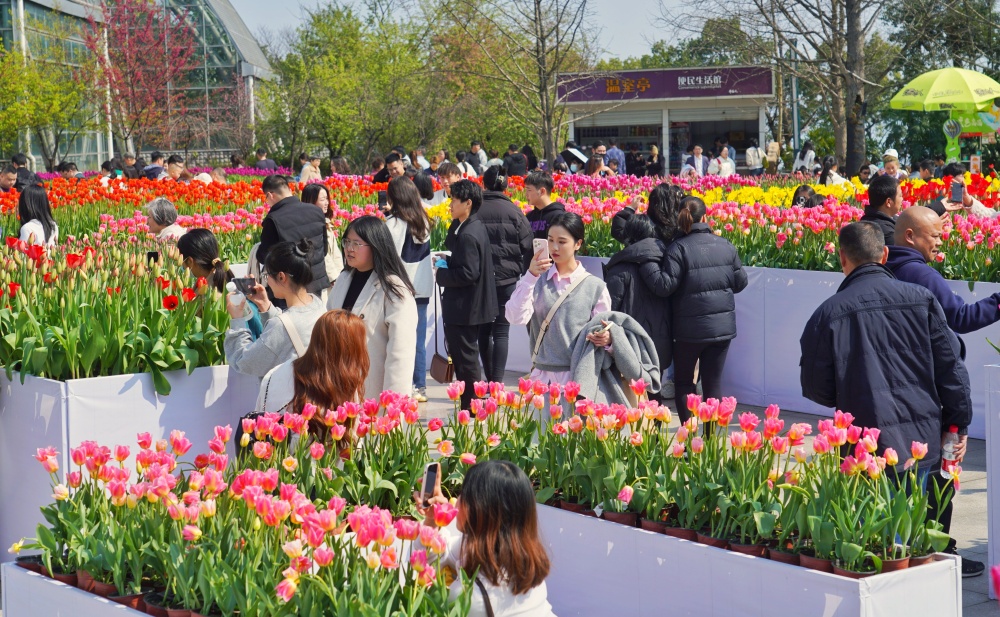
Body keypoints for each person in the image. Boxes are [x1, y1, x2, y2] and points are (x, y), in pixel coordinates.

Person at [800, 222, 974, 573]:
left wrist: (851, 392)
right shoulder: (921, 299)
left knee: (875, 540)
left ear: (842, 258)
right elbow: (952, 370)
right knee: (916, 535)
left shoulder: (828, 313)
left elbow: (815, 388)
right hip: (920, 437)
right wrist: (957, 424)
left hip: (864, 441)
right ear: (884, 255)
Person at [885, 206, 990, 577]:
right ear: (910, 236)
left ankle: (911, 548)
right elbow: (959, 319)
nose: (939, 241)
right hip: (933, 391)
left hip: (897, 391)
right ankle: (938, 552)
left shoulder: (883, 269)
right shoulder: (919, 274)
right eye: (933, 235)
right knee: (941, 475)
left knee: (906, 479)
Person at [643, 197, 748, 421]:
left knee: (683, 383)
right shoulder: (725, 245)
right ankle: (708, 444)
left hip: (688, 330)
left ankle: (690, 440)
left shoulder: (678, 248)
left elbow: (665, 286)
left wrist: (647, 263)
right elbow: (740, 283)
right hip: (721, 329)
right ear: (705, 216)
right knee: (713, 384)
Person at [415, 460, 555, 617]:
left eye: (464, 494)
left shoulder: (469, 598)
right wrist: (433, 519)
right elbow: (443, 552)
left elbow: (428, 564)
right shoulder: (525, 565)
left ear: (480, 510)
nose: (457, 500)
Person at [506, 212, 611, 385]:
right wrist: (531, 275)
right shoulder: (536, 280)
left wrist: (606, 339)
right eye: (550, 240)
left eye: (562, 242)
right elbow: (515, 316)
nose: (554, 247)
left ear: (578, 244)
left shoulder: (595, 287)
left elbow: (604, 330)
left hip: (578, 378)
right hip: (541, 377)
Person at [327, 216, 417, 397]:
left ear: (376, 245)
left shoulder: (394, 289)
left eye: (357, 244)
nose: (349, 249)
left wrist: (392, 402)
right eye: (347, 242)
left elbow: (400, 354)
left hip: (372, 387)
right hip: (339, 383)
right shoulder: (344, 278)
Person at [256, 310, 369, 449]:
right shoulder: (346, 384)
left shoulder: (275, 373)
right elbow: (354, 444)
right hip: (324, 467)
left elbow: (260, 420)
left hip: (274, 463)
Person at [435, 180, 497, 410]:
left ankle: (471, 405)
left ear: (468, 203)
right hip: (469, 306)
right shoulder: (470, 226)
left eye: (454, 200)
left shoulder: (469, 233)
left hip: (465, 308)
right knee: (465, 357)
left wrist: (442, 274)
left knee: (466, 359)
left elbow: (469, 273)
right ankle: (470, 402)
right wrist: (449, 262)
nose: (450, 204)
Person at [225, 239, 327, 378]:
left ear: (281, 277)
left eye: (267, 275)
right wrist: (265, 305)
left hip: (289, 398)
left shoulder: (280, 326)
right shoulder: (318, 305)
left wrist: (237, 321)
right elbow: (291, 330)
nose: (266, 281)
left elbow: (244, 362)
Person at [604, 214, 672, 402]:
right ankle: (656, 429)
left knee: (630, 392)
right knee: (653, 385)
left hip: (629, 341)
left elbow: (610, 309)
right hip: (662, 336)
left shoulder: (620, 267)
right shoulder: (666, 263)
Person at [477, 166, 533, 383]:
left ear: (484, 184)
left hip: (480, 281)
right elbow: (527, 243)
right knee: (501, 331)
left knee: (483, 330)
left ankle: (488, 378)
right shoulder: (515, 211)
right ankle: (497, 383)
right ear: (506, 185)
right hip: (507, 279)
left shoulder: (475, 209)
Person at [384, 177, 433, 402]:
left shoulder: (393, 224)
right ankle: (419, 386)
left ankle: (403, 385)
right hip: (421, 288)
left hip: (399, 288)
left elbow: (388, 258)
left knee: (398, 339)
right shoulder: (423, 220)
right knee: (417, 340)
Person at [178, 228, 263, 340]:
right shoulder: (220, 278)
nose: (181, 266)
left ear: (189, 261)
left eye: (180, 259)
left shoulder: (212, 293)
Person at [257, 174, 330, 304]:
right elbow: (323, 249)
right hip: (315, 281)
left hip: (290, 287)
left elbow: (264, 256)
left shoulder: (274, 219)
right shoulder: (316, 211)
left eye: (266, 198)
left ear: (270, 195)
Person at [300, 183, 344, 284]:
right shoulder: (308, 224)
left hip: (333, 278)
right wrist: (334, 277)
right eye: (322, 199)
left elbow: (335, 253)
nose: (327, 202)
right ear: (310, 201)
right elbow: (321, 254)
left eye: (327, 198)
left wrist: (342, 275)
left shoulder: (325, 222)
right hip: (320, 279)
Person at [860, 174, 901, 246]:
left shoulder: (867, 220)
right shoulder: (887, 234)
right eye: (900, 196)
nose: (902, 199)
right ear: (888, 202)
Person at [524, 171, 566, 240]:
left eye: (529, 190)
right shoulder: (529, 216)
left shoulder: (559, 216)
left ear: (542, 191)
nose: (526, 194)